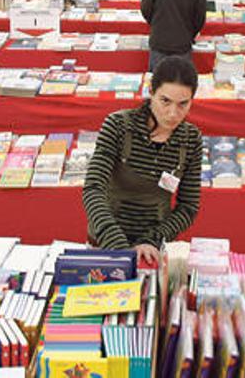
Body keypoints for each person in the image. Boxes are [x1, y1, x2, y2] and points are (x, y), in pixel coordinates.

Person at [83, 55, 203, 263]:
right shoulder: (118, 125)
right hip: (106, 245)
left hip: (152, 250)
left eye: (183, 104)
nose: (173, 113)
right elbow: (94, 188)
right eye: (165, 101)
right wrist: (118, 246)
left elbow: (188, 206)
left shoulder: (191, 138)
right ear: (151, 92)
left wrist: (152, 240)